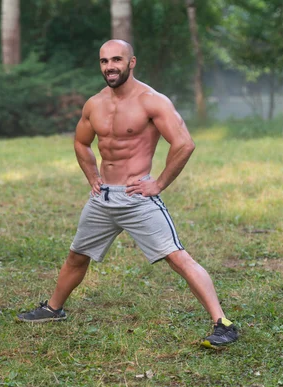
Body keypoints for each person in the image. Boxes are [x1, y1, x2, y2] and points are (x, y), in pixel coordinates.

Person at [17, 39, 238, 348]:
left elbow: (184, 143)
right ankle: (53, 309)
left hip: (137, 197)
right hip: (103, 198)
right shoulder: (95, 103)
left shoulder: (152, 101)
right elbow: (81, 142)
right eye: (105, 61)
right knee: (76, 255)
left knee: (177, 257)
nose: (110, 66)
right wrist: (92, 175)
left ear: (131, 62)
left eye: (117, 60)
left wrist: (158, 184)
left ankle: (222, 323)